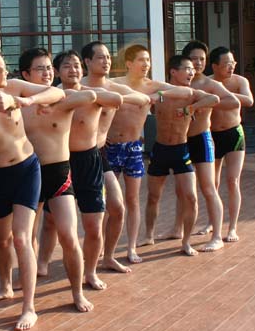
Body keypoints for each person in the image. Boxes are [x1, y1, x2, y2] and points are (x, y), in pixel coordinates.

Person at [0, 45, 64, 331]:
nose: (7, 71)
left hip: (26, 169)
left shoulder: (12, 87)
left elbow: (56, 93)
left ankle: (29, 307)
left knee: (22, 238)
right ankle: (5, 286)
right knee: (3, 240)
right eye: (1, 68)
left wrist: (27, 100)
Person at [38, 50, 124, 290]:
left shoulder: (92, 95)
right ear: (57, 71)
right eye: (67, 66)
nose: (73, 70)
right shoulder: (51, 95)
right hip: (60, 162)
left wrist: (91, 95)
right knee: (50, 221)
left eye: (76, 65)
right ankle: (42, 263)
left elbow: (117, 100)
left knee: (94, 225)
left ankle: (91, 271)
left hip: (89, 161)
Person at [18, 48, 95, 313]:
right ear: (26, 74)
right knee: (27, 237)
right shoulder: (21, 102)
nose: (47, 73)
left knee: (69, 235)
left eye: (49, 68)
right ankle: (27, 298)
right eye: (40, 68)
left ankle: (77, 292)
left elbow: (90, 96)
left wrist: (50, 101)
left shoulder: (63, 97)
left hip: (59, 173)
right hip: (29, 174)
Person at [110, 44, 190, 262]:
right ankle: (105, 247)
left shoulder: (152, 86)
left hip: (134, 148)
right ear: (128, 63)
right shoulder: (115, 84)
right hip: (111, 147)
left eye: (148, 60)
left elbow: (186, 92)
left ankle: (131, 248)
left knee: (132, 199)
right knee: (110, 202)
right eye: (141, 60)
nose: (146, 64)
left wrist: (159, 95)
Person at [163, 41, 240, 252]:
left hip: (202, 139)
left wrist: (201, 104)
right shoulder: (175, 84)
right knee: (181, 189)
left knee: (208, 188)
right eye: (194, 59)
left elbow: (234, 102)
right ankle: (177, 228)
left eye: (202, 59)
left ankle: (217, 236)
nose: (198, 63)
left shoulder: (209, 84)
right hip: (181, 141)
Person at [80, 41, 151, 271]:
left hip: (99, 155)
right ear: (87, 61)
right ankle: (44, 263)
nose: (106, 61)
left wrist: (115, 97)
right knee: (53, 218)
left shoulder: (114, 87)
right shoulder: (76, 87)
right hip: (71, 155)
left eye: (108, 57)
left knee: (117, 207)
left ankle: (108, 256)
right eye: (101, 57)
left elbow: (143, 99)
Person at [143, 55, 219, 256]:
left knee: (191, 197)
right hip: (160, 149)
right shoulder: (161, 92)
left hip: (181, 150)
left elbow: (214, 99)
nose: (192, 72)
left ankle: (186, 242)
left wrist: (191, 108)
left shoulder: (191, 94)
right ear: (173, 72)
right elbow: (144, 100)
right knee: (153, 196)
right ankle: (148, 235)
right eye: (187, 69)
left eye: (193, 69)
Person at [209, 46, 254, 242]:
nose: (231, 67)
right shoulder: (208, 82)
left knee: (232, 181)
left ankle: (233, 227)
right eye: (226, 64)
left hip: (234, 133)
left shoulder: (239, 81)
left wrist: (223, 94)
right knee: (212, 183)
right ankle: (212, 222)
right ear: (215, 66)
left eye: (232, 63)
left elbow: (249, 101)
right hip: (213, 135)